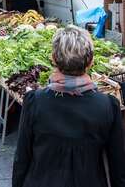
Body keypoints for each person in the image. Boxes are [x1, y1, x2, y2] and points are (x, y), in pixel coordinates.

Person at [13, 26, 125, 187]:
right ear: (91, 61)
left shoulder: (35, 101)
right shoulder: (107, 105)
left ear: (53, 58)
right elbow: (118, 165)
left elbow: (22, 158)